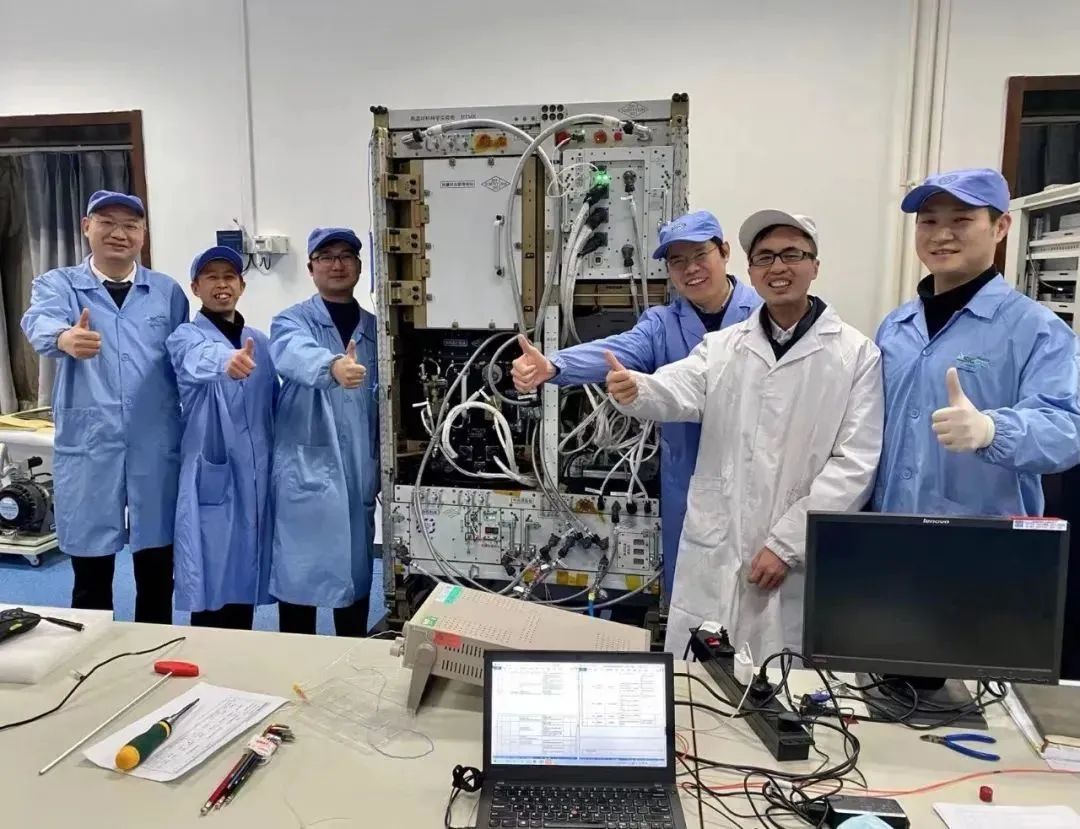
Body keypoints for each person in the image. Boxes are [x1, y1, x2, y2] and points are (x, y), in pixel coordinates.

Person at [605, 210, 883, 657]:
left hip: (794, 555)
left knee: (780, 674)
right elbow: (679, 387)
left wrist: (787, 544)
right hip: (717, 544)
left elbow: (855, 465)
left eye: (792, 255)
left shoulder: (855, 355)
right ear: (750, 270)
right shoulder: (723, 347)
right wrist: (637, 389)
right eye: (765, 257)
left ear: (815, 265)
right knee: (699, 680)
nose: (778, 267)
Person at [511, 210, 760, 595]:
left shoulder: (762, 315)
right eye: (677, 261)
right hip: (687, 483)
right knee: (689, 593)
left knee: (755, 592)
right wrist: (555, 365)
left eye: (700, 255)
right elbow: (615, 350)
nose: (690, 269)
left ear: (724, 252)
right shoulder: (662, 323)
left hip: (754, 479)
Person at [20, 190, 188, 622]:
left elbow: (185, 353)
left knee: (157, 564)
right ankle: (92, 651)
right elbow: (38, 320)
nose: (119, 233)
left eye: (130, 226)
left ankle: (156, 643)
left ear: (143, 235)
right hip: (91, 443)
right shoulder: (59, 284)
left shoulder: (166, 292)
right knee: (91, 569)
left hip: (155, 442)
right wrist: (63, 337)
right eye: (107, 222)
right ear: (86, 227)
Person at [874, 168, 1080, 516]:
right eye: (928, 222)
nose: (941, 235)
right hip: (891, 527)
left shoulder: (1038, 330)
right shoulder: (896, 327)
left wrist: (991, 430)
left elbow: (1067, 430)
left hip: (984, 537)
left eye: (962, 220)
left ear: (1001, 227)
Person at [269, 227, 379, 636]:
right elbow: (292, 352)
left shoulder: (376, 330)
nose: (337, 264)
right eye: (327, 256)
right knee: (300, 577)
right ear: (311, 267)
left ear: (359, 267)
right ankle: (295, 660)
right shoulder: (291, 321)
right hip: (306, 468)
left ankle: (353, 653)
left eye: (346, 256)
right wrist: (332, 366)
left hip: (358, 468)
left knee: (354, 574)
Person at [166, 246, 276, 630]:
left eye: (229, 276)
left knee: (245, 575)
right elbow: (200, 359)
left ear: (242, 286)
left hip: (256, 474)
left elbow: (274, 402)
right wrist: (226, 361)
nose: (221, 284)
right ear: (195, 288)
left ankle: (239, 654)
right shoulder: (185, 336)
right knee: (212, 575)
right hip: (212, 472)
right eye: (211, 277)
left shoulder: (259, 341)